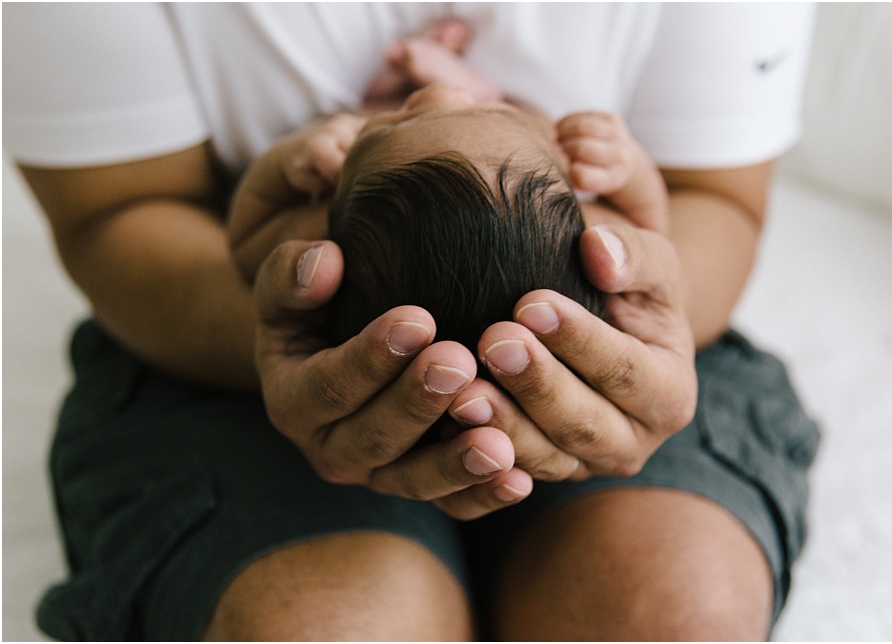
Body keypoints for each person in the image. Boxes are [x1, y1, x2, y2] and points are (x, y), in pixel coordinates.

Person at [3, 3, 820, 641]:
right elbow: (643, 226)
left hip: (584, 355)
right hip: (213, 349)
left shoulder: (348, 184)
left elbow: (704, 209)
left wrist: (278, 186)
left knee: (675, 605)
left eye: (415, 116)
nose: (438, 92)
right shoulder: (572, 197)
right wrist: (625, 178)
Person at [226, 28, 667, 359]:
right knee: (509, 128)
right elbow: (650, 233)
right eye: (494, 114)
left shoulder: (322, 242)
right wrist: (628, 170)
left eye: (402, 121)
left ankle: (396, 102)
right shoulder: (584, 236)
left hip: (372, 142)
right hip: (478, 152)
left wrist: (288, 163)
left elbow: (247, 234)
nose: (442, 94)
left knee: (352, 129)